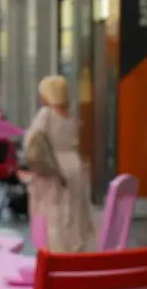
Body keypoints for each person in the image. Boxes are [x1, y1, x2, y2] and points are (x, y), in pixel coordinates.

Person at [22, 75, 96, 253]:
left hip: (53, 166)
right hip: (74, 165)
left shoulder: (46, 113)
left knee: (52, 213)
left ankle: (55, 254)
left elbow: (31, 140)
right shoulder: (70, 116)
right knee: (73, 211)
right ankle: (74, 250)